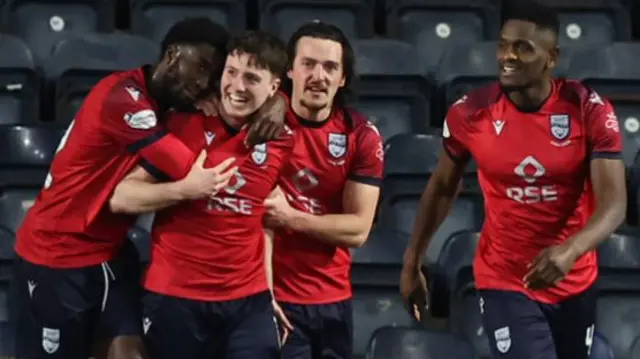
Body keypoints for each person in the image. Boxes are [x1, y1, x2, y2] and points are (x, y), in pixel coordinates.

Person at [13, 19, 286, 359]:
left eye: (212, 75)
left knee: (130, 352)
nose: (204, 84)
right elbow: (197, 169)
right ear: (172, 55)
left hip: (110, 252)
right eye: (200, 67)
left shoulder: (166, 101)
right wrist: (258, 126)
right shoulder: (124, 100)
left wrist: (276, 102)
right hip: (57, 255)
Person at [399, 2, 627, 359]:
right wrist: (412, 261)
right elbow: (442, 188)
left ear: (551, 57)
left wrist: (570, 250)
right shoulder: (470, 112)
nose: (508, 56)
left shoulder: (588, 110)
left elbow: (614, 204)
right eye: (503, 45)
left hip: (575, 278)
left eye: (523, 48)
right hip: (504, 278)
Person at [109, 30, 293, 359]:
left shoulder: (281, 140)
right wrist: (185, 189)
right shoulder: (183, 126)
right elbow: (121, 196)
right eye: (231, 73)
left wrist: (268, 291)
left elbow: (259, 219)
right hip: (177, 298)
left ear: (274, 88)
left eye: (252, 78)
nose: (237, 86)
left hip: (247, 304)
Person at [264, 22, 384, 359]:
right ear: (290, 69)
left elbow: (358, 230)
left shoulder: (361, 135)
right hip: (277, 299)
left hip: (334, 300)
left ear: (343, 78)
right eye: (308, 64)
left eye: (330, 67)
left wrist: (290, 217)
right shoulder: (264, 124)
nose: (319, 75)